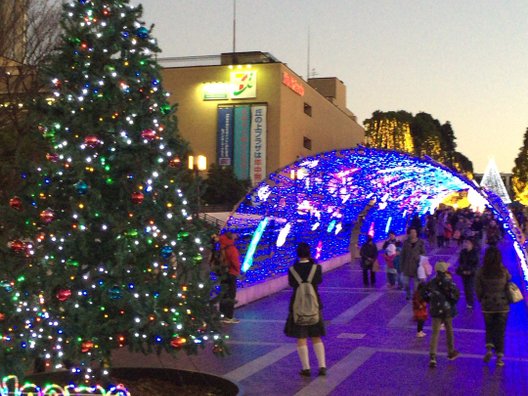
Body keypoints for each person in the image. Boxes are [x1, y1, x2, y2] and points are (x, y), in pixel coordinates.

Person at [284, 242, 327, 377]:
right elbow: (319, 281)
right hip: (314, 304)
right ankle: (322, 366)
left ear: (297, 253)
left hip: (297, 305)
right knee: (316, 336)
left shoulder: (292, 269)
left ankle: (306, 368)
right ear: (309, 253)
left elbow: (292, 284)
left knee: (301, 337)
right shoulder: (316, 267)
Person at [475, 246, 511, 367]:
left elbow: (478, 288)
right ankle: (500, 357)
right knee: (500, 331)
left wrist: (481, 298)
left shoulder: (482, 271)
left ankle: (489, 349)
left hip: (488, 304)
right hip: (502, 305)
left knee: (489, 328)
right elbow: (508, 285)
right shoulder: (503, 271)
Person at [422, 261, 460, 368]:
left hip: (435, 309)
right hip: (447, 309)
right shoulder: (448, 281)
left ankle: (433, 356)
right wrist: (451, 303)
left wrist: (430, 301)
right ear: (444, 270)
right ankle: (451, 352)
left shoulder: (432, 282)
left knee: (435, 333)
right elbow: (456, 294)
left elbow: (423, 293)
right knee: (449, 330)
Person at [218, 232, 241, 324]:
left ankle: (222, 315)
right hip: (231, 273)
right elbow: (235, 262)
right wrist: (238, 271)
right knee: (231, 295)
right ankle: (229, 316)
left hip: (222, 272)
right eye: (235, 235)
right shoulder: (231, 248)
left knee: (223, 294)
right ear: (231, 236)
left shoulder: (221, 245)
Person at [400, 228, 426, 300]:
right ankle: (408, 294)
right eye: (412, 232)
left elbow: (424, 253)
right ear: (409, 234)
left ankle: (415, 296)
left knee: (416, 286)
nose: (413, 234)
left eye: (415, 232)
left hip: (416, 267)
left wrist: (419, 257)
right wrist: (401, 266)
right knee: (406, 284)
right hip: (407, 267)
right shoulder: (406, 243)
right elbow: (402, 255)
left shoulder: (420, 242)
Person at [456, 238, 479, 309]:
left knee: (470, 288)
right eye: (466, 243)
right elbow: (460, 261)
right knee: (466, 288)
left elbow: (476, 265)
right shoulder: (463, 252)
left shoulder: (475, 253)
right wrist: (462, 269)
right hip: (463, 272)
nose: (466, 244)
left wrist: (470, 271)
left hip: (471, 273)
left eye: (468, 243)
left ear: (472, 244)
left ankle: (470, 303)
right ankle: (468, 301)